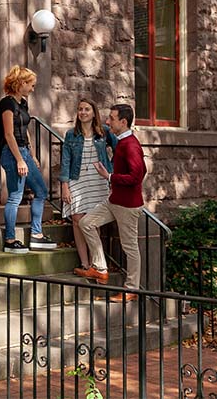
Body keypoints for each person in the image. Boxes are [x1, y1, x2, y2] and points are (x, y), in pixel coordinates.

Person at [75, 104, 146, 302]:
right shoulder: (122, 142)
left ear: (123, 122)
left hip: (128, 206)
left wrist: (109, 176)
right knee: (86, 223)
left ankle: (132, 289)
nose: (108, 121)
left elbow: (137, 176)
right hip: (114, 201)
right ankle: (100, 268)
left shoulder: (131, 144)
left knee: (130, 247)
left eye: (112, 119)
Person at [0, 65, 56, 254]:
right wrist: (20, 160)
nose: (32, 89)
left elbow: (25, 131)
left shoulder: (22, 103)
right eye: (31, 85)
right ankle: (10, 239)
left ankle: (36, 235)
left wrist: (31, 156)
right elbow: (8, 134)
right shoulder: (7, 104)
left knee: (41, 191)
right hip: (11, 152)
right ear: (21, 83)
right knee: (15, 196)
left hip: (23, 152)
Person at [59, 99, 117, 273]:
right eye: (80, 109)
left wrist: (111, 170)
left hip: (98, 180)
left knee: (93, 222)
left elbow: (119, 149)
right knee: (77, 220)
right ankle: (84, 262)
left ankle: (96, 263)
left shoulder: (104, 132)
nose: (83, 112)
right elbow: (66, 161)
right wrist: (64, 185)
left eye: (87, 109)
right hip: (77, 178)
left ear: (94, 113)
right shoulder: (71, 134)